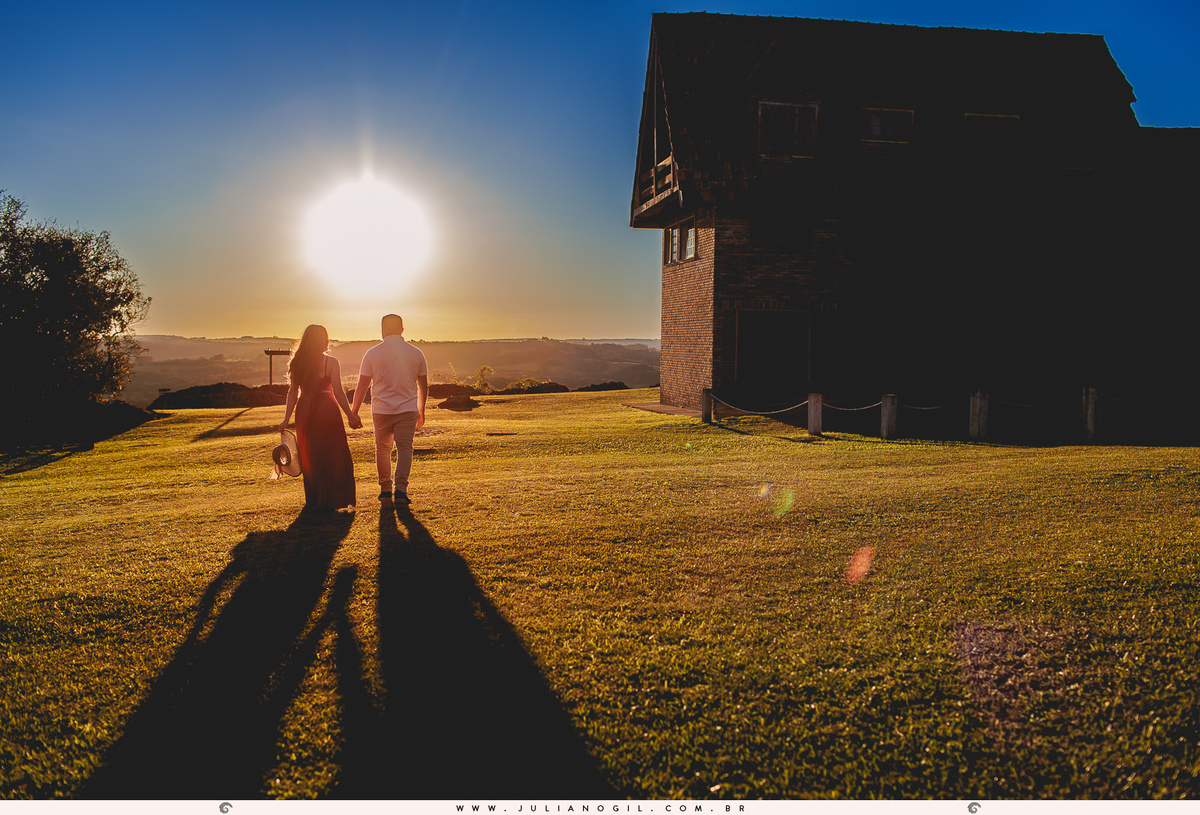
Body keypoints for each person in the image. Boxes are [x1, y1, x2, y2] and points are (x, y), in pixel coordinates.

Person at [277, 324, 361, 511]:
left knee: (312, 455)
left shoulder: (297, 362)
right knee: (333, 452)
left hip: (305, 411)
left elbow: (293, 393)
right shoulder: (331, 362)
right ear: (324, 340)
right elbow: (338, 392)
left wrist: (286, 419)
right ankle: (335, 497)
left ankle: (317, 498)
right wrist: (351, 416)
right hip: (327, 409)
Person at [351, 313, 428, 506]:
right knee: (405, 449)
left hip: (381, 410)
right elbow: (423, 386)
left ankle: (385, 491)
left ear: (382, 330)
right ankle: (401, 491)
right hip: (408, 408)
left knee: (383, 450)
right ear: (402, 329)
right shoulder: (416, 353)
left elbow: (362, 386)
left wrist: (354, 411)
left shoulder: (372, 353)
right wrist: (421, 410)